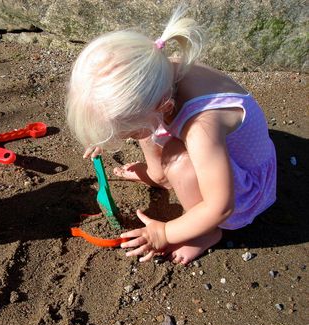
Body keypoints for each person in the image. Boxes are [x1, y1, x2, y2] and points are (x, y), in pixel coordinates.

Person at [66, 6, 276, 264]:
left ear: (163, 107)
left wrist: (166, 232)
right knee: (151, 128)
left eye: (124, 133)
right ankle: (157, 174)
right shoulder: (154, 76)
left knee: (176, 158)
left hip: (245, 190)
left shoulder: (201, 127)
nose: (123, 139)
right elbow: (146, 119)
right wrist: (104, 133)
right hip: (216, 150)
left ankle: (207, 233)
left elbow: (221, 205)